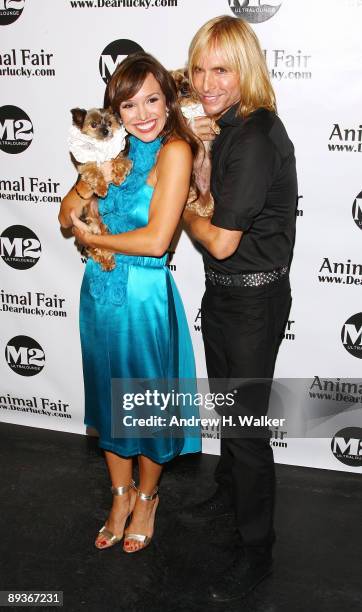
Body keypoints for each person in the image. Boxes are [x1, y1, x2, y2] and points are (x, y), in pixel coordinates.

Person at [59, 52, 201, 554]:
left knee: (144, 403)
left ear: (168, 100)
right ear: (113, 111)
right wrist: (86, 180)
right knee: (108, 398)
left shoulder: (175, 151)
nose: (142, 114)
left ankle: (147, 497)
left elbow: (158, 240)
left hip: (143, 296)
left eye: (152, 100)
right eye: (128, 104)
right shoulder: (110, 151)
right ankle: (119, 497)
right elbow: (65, 214)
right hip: (99, 294)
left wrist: (95, 241)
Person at [182, 16, 297, 601]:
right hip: (226, 295)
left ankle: (258, 551)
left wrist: (176, 212)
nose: (206, 82)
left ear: (245, 68)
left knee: (247, 429)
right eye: (199, 69)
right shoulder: (227, 128)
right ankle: (228, 497)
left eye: (220, 69)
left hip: (252, 300)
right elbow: (211, 192)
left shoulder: (254, 137)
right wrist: (200, 148)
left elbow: (221, 237)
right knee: (230, 409)